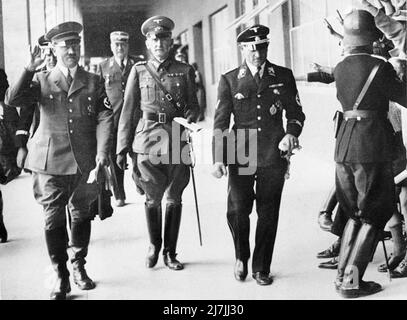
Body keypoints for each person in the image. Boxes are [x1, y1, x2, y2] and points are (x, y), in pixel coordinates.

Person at [5, 21, 113, 300]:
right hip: (49, 161)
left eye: (76, 45)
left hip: (84, 162)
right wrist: (28, 68)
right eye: (65, 46)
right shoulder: (40, 80)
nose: (72, 50)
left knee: (82, 214)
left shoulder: (93, 80)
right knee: (53, 218)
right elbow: (12, 99)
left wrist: (102, 153)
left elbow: (104, 117)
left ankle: (78, 265)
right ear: (53, 48)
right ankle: (60, 273)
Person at [212, 24, 305, 285]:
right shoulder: (230, 79)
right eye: (251, 49)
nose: (256, 54)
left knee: (268, 211)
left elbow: (296, 113)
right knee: (239, 209)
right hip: (241, 151)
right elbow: (220, 122)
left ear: (267, 47)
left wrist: (291, 133)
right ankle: (241, 256)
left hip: (272, 152)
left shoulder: (283, 76)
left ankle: (261, 267)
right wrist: (219, 157)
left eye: (261, 48)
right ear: (242, 49)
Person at [332, 9, 406, 298]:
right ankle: (352, 282)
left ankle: (341, 274)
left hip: (344, 147)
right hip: (371, 146)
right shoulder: (380, 66)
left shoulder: (340, 67)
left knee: (354, 214)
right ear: (372, 37)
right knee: (375, 213)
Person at [116, 16, 199, 271]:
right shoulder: (139, 71)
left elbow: (194, 106)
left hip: (176, 139)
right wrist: (121, 148)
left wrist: (191, 117)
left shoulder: (185, 70)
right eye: (155, 39)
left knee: (174, 198)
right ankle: (154, 245)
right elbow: (128, 110)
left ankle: (170, 252)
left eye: (164, 38)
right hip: (147, 140)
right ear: (148, 43)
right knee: (152, 198)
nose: (160, 43)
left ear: (171, 41)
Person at [98, 31, 138, 207]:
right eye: (116, 44)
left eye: (123, 44)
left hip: (135, 119)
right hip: (114, 120)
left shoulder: (137, 63)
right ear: (111, 46)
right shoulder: (103, 66)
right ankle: (119, 193)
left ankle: (139, 179)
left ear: (128, 46)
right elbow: (99, 94)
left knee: (138, 154)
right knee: (115, 159)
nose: (120, 47)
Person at [15, 35, 56, 170]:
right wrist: (22, 146)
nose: (51, 59)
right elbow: (26, 113)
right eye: (47, 54)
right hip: (43, 146)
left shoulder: (73, 77)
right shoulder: (37, 79)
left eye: (54, 53)